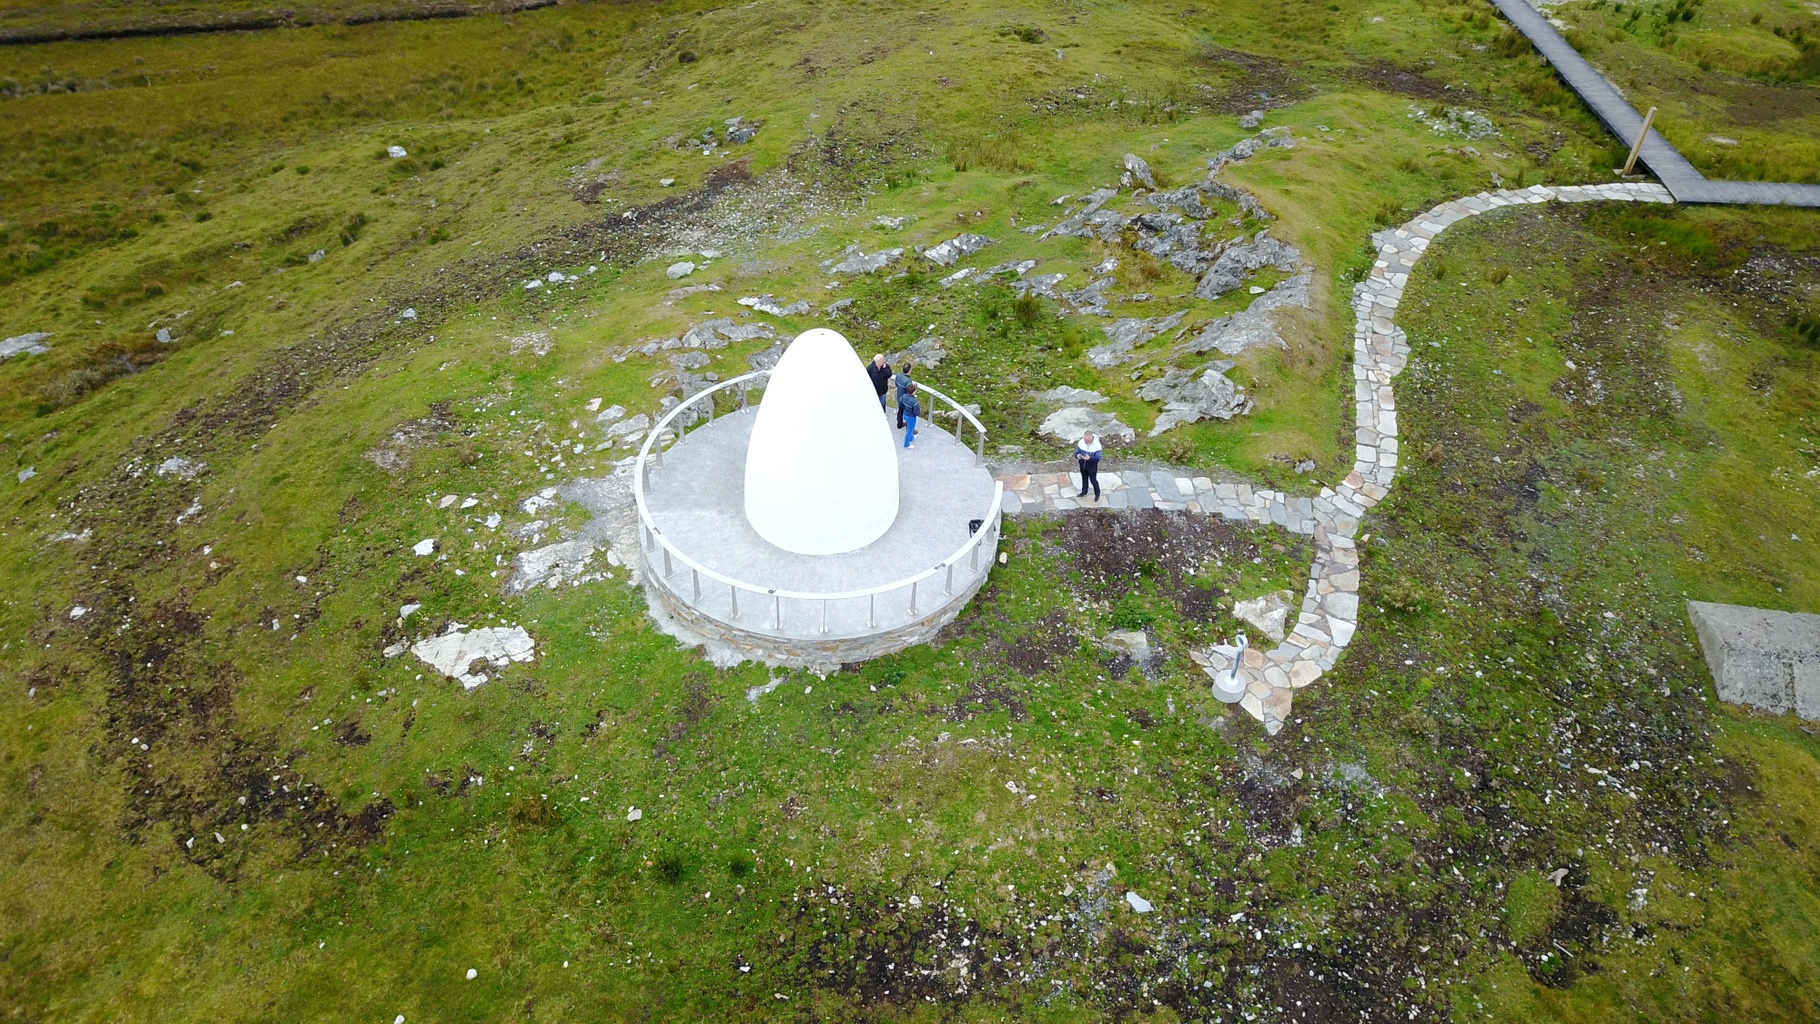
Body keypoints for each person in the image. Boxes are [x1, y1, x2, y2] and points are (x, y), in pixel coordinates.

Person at [1075, 430, 1102, 501]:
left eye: (1088, 440)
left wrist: (1090, 458)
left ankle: (1097, 494)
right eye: (1085, 439)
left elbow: (1098, 458)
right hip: (1082, 465)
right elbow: (1076, 452)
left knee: (1093, 480)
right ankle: (1084, 492)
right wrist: (1077, 456)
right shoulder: (1081, 442)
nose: (1086, 441)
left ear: (1091, 437)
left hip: (1092, 467)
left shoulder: (1097, 445)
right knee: (1084, 479)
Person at [893, 360, 915, 429]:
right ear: (909, 370)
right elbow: (909, 391)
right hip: (905, 400)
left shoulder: (898, 375)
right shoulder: (908, 381)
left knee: (900, 411)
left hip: (899, 397)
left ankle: (899, 424)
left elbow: (896, 384)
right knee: (909, 414)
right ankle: (909, 428)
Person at [901, 383, 921, 449]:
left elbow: (900, 403)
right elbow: (916, 412)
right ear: (914, 392)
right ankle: (906, 444)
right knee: (910, 430)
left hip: (905, 414)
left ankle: (911, 438)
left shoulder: (904, 396)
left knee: (909, 427)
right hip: (911, 417)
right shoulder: (915, 402)